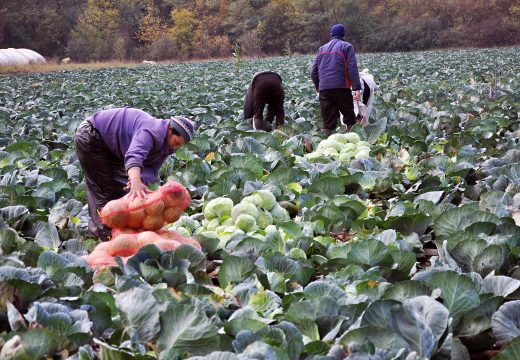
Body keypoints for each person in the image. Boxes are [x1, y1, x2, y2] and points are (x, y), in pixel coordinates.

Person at [74, 107, 196, 240]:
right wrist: (135, 182)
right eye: (176, 142)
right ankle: (103, 234)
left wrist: (141, 183)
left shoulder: (168, 145)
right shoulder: (151, 131)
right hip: (92, 136)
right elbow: (134, 155)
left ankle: (117, 231)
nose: (175, 147)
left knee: (124, 192)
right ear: (170, 130)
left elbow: (152, 168)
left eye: (180, 146)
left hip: (112, 148)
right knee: (104, 190)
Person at [310, 24, 362, 136]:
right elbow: (352, 69)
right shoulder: (347, 47)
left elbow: (313, 72)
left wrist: (319, 87)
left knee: (328, 123)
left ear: (331, 35)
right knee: (349, 119)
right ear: (343, 35)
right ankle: (351, 140)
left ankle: (325, 146)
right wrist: (357, 88)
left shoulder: (321, 49)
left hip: (324, 89)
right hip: (342, 88)